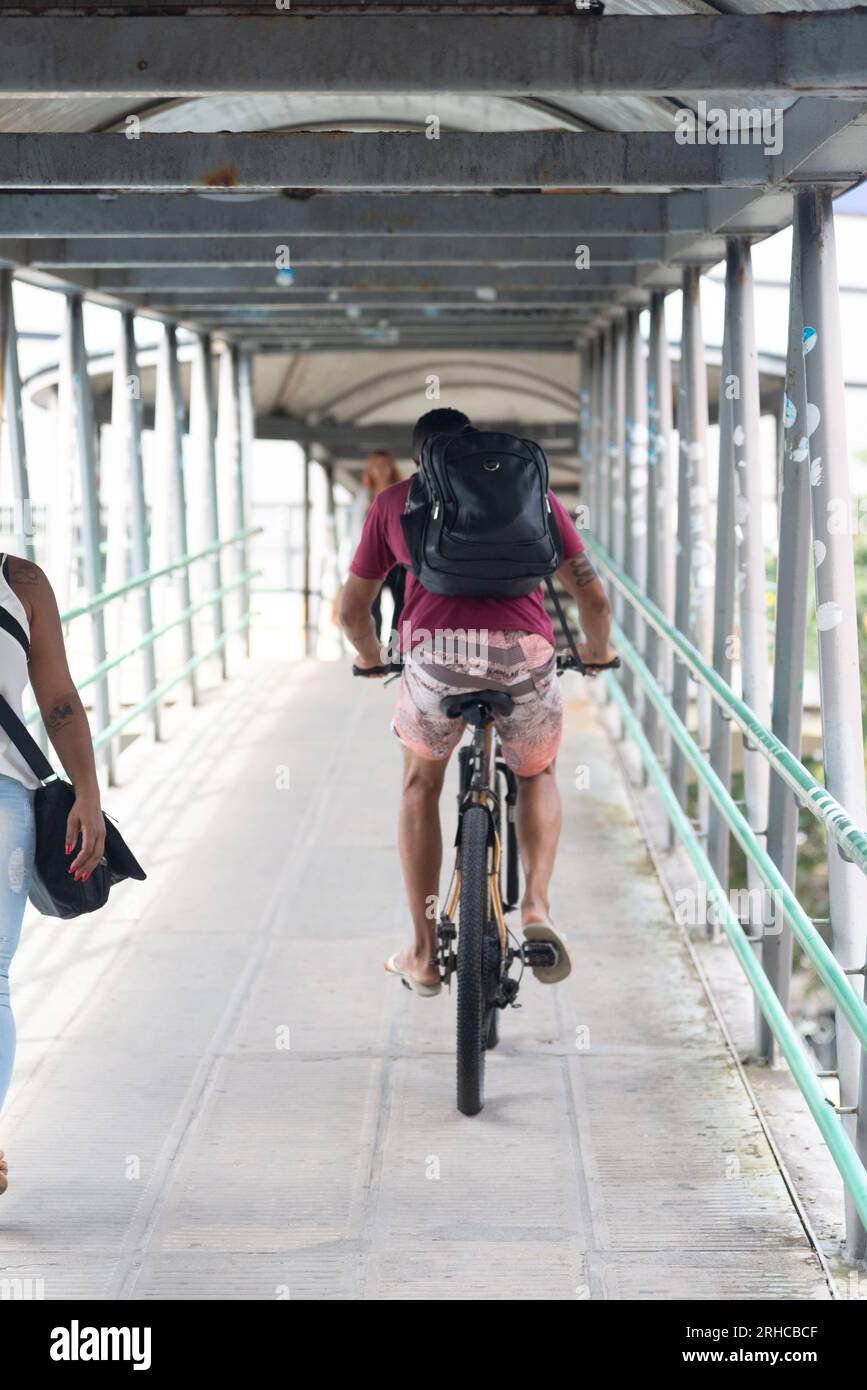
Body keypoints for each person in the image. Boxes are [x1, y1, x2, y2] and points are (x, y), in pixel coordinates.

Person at [339, 408, 616, 994]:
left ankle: (422, 953)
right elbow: (592, 598)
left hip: (434, 659)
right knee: (538, 774)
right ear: (473, 448)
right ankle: (537, 907)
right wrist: (595, 652)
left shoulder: (395, 501)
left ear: (422, 460)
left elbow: (352, 610)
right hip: (525, 658)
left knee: (420, 785)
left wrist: (370, 657)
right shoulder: (531, 492)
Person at [0, 553, 104, 1195]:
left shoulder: (24, 582)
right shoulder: (21, 582)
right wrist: (86, 794)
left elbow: (60, 700)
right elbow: (58, 700)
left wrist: (89, 795)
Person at [336, 449, 405, 647]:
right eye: (375, 466)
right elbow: (354, 531)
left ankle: (395, 651)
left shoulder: (402, 492)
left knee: (401, 605)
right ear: (369, 470)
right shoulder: (362, 497)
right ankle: (375, 650)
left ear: (391, 467)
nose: (380, 470)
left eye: (384, 465)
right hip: (371, 558)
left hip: (398, 560)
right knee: (370, 607)